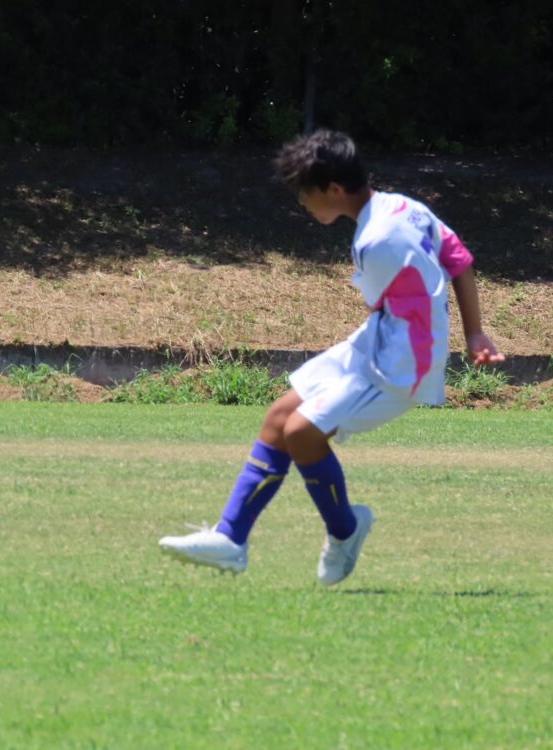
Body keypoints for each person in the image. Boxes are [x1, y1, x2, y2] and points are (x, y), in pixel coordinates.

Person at [159, 130, 505, 585]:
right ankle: (231, 538)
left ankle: (345, 530)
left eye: (305, 193)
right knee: (279, 418)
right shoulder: (405, 207)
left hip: (401, 363)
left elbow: (389, 297)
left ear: (335, 189)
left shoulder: (375, 242)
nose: (303, 203)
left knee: (301, 432)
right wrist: (474, 331)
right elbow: (458, 259)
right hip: (379, 339)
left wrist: (468, 333)